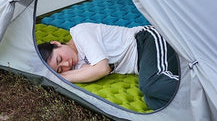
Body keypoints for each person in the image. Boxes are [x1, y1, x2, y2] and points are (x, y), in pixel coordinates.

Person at [38, 23, 179, 110]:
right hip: (145, 63)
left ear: (56, 43)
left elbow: (102, 69)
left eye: (60, 59)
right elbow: (96, 70)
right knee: (153, 101)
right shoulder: (77, 67)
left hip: (147, 41)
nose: (67, 64)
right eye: (60, 69)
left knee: (149, 86)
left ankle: (200, 89)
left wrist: (60, 76)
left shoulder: (80, 32)